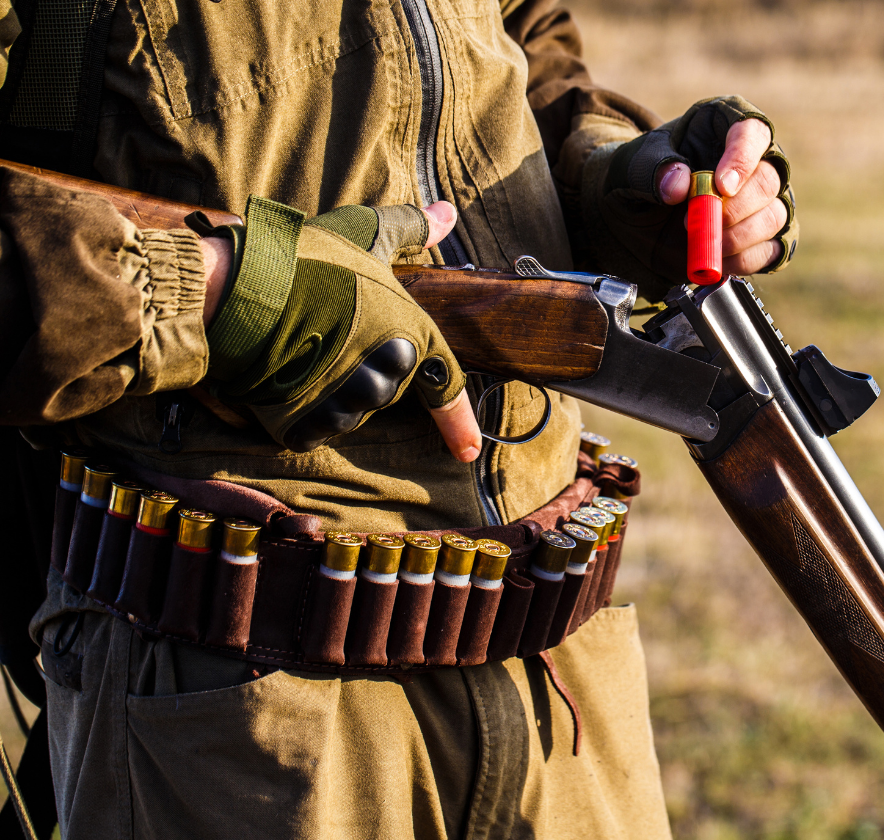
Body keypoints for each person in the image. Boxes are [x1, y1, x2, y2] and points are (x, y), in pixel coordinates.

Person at [0, 0, 797, 837]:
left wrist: (613, 172)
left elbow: (521, 41)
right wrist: (217, 285)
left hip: (560, 677)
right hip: (241, 703)